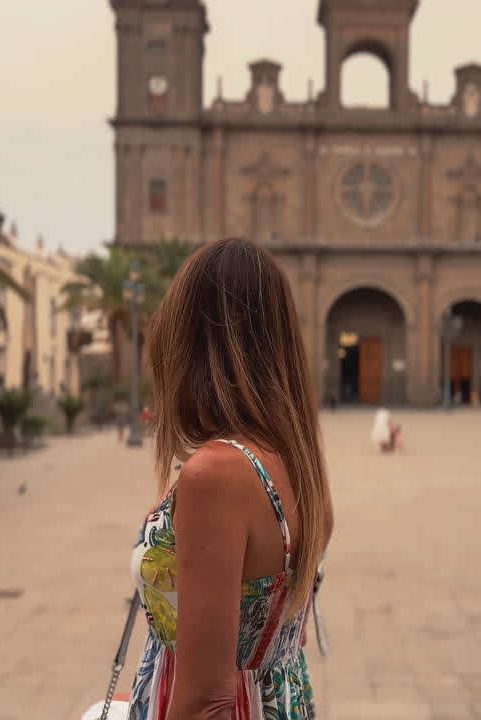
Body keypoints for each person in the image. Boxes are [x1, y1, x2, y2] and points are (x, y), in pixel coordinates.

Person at [128, 238, 333, 720]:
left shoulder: (217, 474)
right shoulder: (296, 461)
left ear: (188, 343)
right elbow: (284, 637)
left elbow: (206, 703)